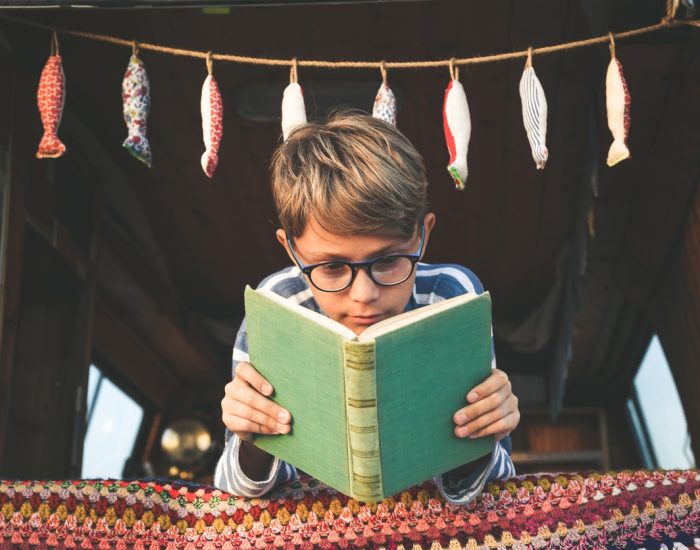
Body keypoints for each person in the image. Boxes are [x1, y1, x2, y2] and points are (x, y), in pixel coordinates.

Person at [214, 111, 519, 504]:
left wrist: (484, 431)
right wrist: (249, 436)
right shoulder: (277, 305)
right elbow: (231, 490)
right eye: (331, 267)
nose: (363, 295)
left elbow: (495, 488)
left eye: (388, 261)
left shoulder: (452, 297)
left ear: (423, 234)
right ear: (290, 248)